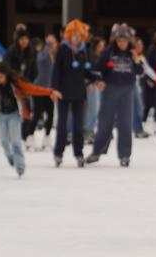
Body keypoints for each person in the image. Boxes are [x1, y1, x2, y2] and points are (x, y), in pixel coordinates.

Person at [0, 62, 61, 177]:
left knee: (15, 141)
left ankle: (20, 164)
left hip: (14, 115)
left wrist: (49, 91)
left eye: (1, 76)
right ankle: (11, 157)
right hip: (1, 117)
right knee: (4, 141)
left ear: (6, 75)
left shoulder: (15, 83)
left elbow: (32, 89)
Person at [86, 23, 137, 167]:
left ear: (128, 41)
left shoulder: (133, 53)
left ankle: (125, 155)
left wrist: (136, 58)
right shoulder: (108, 52)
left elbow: (140, 71)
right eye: (119, 40)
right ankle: (97, 151)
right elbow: (97, 70)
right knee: (104, 122)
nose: (122, 43)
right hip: (110, 90)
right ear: (115, 40)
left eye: (124, 40)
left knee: (125, 123)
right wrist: (99, 80)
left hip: (127, 90)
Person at [51, 19, 97, 168]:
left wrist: (97, 79)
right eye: (73, 34)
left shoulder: (84, 50)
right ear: (68, 35)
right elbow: (56, 71)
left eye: (78, 34)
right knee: (62, 125)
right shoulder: (62, 49)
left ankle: (79, 153)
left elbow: (87, 71)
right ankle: (58, 153)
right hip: (63, 92)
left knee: (78, 127)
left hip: (79, 93)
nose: (76, 37)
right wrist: (54, 89)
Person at [25, 34, 57, 151]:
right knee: (37, 114)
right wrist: (48, 47)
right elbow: (41, 59)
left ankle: (47, 137)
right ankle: (30, 137)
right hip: (37, 89)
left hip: (49, 90)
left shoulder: (52, 56)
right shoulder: (40, 55)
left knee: (51, 114)